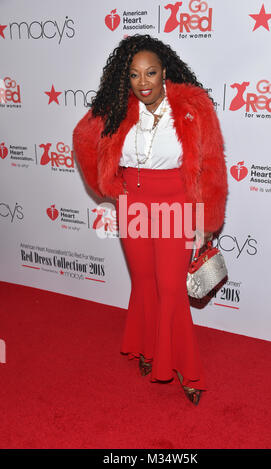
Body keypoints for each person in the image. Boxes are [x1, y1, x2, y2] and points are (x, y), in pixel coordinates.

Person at [73, 34, 228, 406]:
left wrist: (206, 218)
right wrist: (109, 184)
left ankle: (188, 371)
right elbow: (82, 137)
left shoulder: (192, 106)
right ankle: (146, 347)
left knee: (171, 289)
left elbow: (211, 165)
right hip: (133, 205)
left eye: (151, 73)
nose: (143, 83)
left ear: (164, 73)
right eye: (134, 75)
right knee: (143, 281)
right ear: (124, 78)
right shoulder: (117, 108)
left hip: (175, 204)